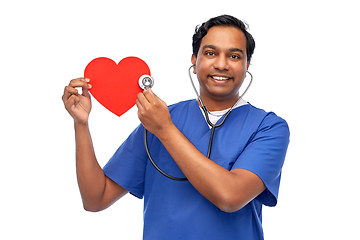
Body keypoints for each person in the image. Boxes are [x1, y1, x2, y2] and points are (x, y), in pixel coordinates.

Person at [62, 15, 290, 240]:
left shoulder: (268, 127)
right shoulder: (159, 119)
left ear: (247, 64)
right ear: (194, 60)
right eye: (210, 53)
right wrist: (81, 124)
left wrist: (165, 129)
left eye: (234, 56)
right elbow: (95, 198)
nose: (221, 64)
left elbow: (230, 197)